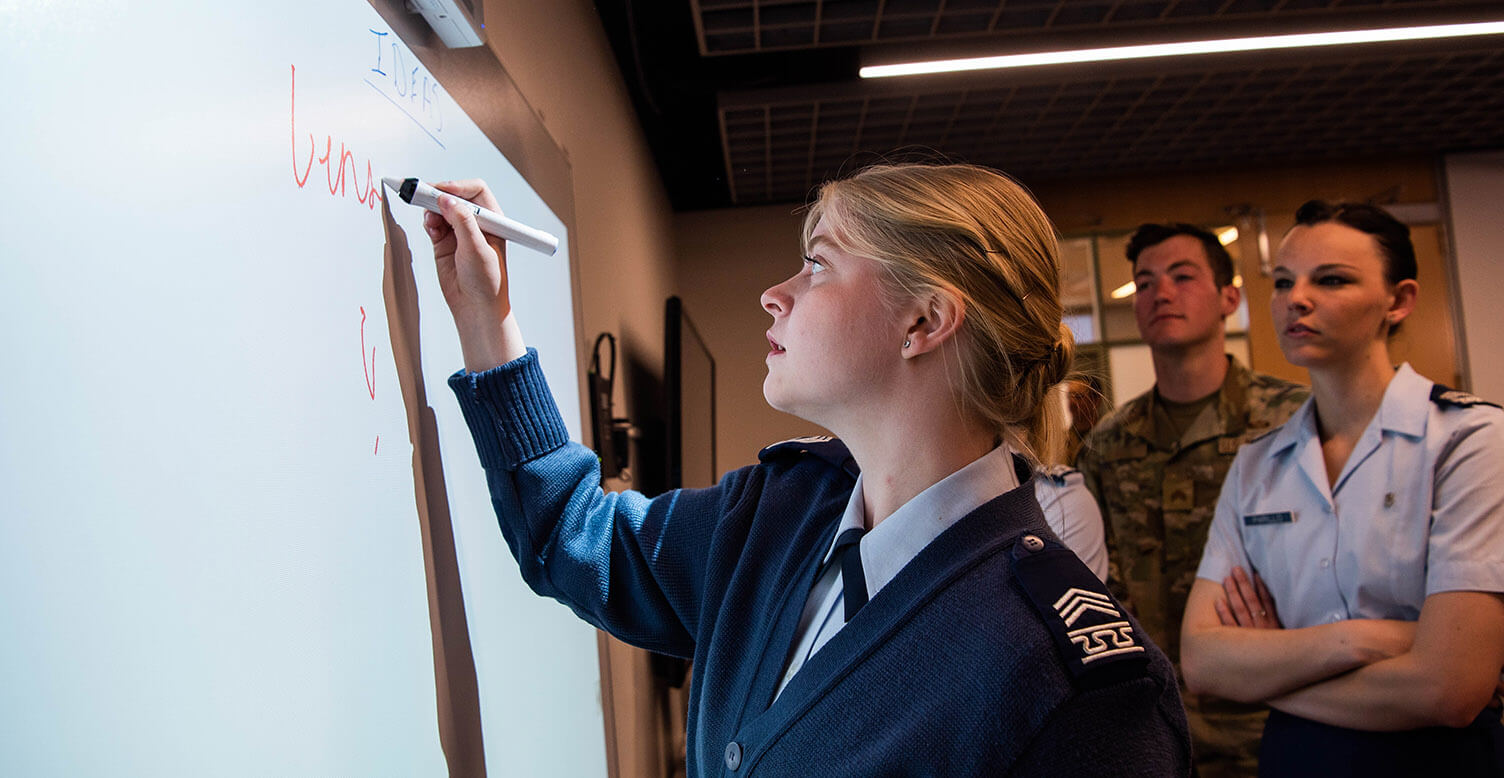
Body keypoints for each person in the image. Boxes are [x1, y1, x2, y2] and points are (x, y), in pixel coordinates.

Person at [420, 163, 1192, 776]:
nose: (772, 295)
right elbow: (571, 535)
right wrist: (486, 319)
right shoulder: (777, 514)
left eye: (817, 266)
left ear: (924, 320)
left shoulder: (1077, 682)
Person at [1181, 200, 1504, 777]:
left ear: (1398, 301)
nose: (1297, 299)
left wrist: (1267, 673)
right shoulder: (1258, 465)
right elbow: (1202, 662)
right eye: (1283, 282)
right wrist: (1365, 640)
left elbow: (1448, 689)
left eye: (1332, 280)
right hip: (1298, 760)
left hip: (1439, 761)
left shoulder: (1464, 440)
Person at [1075, 223, 1308, 776]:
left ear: (1230, 298)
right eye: (1145, 282)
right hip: (1155, 726)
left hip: (1274, 718)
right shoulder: (1109, 444)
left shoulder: (1292, 422)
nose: (1162, 293)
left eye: (1183, 276)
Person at [1033, 383, 1110, 581]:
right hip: (1075, 532)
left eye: (1079, 397)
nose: (1071, 402)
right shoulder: (1058, 442)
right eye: (1069, 396)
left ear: (1096, 399)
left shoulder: (1111, 439)